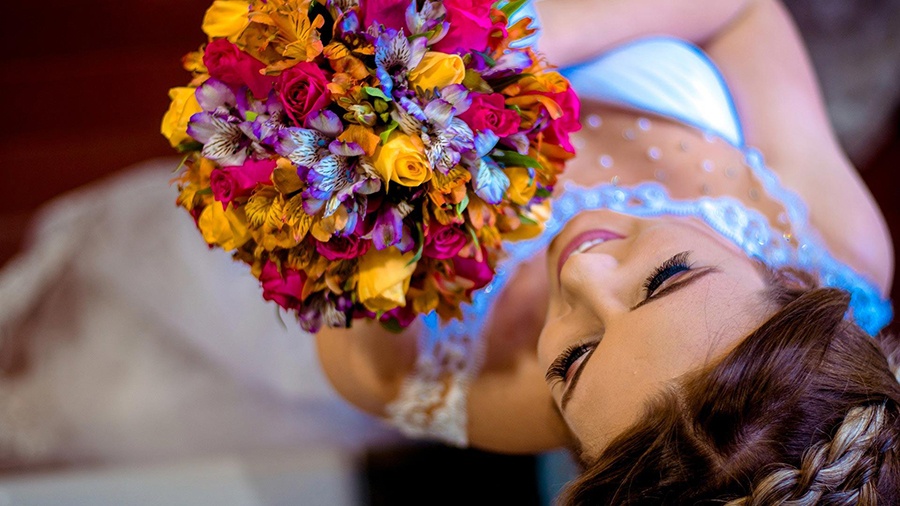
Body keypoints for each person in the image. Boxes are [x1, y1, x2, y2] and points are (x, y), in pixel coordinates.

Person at [314, 0, 900, 502]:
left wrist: (366, 200)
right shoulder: (838, 242)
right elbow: (742, 12)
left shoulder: (527, 397)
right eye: (666, 279)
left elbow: (364, 374)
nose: (581, 270)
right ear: (790, 282)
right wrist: (505, 46)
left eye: (572, 362)